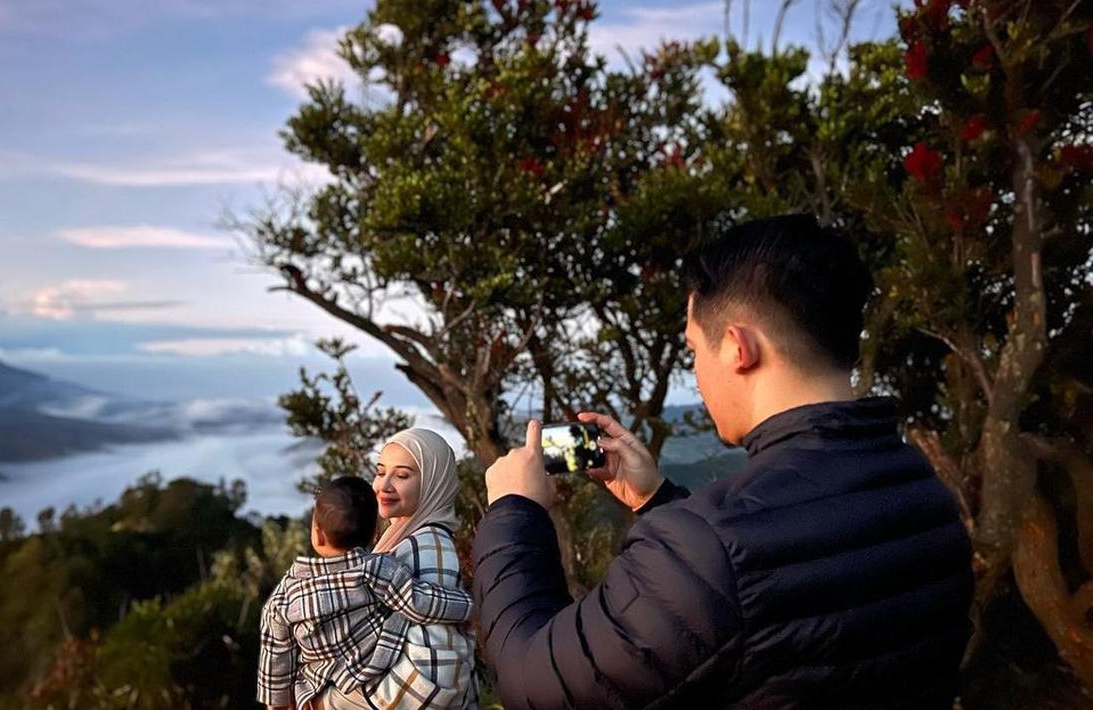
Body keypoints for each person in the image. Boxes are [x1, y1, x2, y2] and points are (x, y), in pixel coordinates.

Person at [475, 214, 974, 708]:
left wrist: (514, 513)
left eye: (694, 349)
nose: (696, 373)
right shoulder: (923, 492)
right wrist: (658, 502)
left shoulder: (709, 550)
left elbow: (530, 683)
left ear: (738, 347)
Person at [256, 476, 473, 710]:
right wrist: (469, 605)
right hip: (376, 676)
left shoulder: (286, 595)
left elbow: (276, 654)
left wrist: (277, 703)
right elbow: (420, 601)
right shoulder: (377, 569)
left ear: (317, 534)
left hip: (317, 687)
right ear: (374, 534)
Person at [363, 428, 479, 710]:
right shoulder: (401, 537)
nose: (384, 485)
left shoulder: (426, 546)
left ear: (432, 484)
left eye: (402, 475)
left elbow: (439, 671)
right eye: (381, 472)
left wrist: (353, 701)